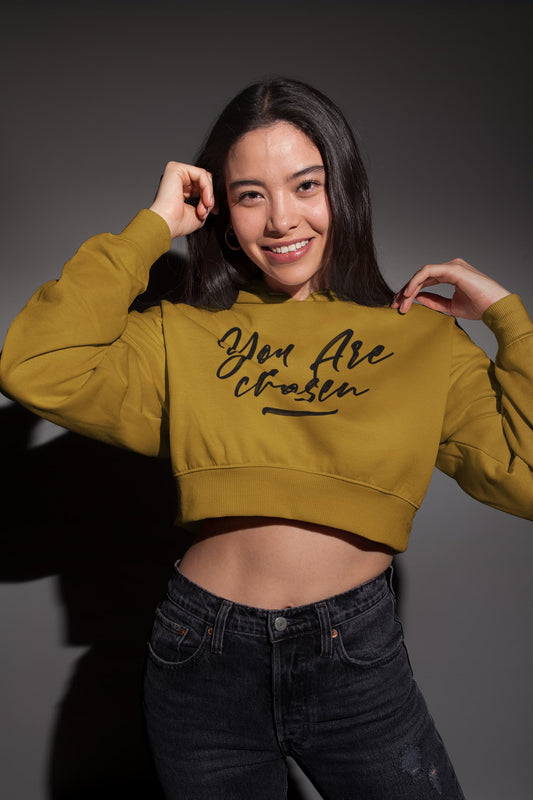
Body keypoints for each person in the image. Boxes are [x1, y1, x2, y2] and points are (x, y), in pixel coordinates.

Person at [1, 77, 532, 800]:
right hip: (201, 658)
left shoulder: (422, 340)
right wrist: (153, 226)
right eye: (251, 194)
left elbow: (525, 474)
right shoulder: (181, 335)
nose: (281, 219)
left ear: (343, 188)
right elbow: (35, 366)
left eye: (305, 185)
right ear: (221, 210)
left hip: (356, 659)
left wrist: (506, 317)